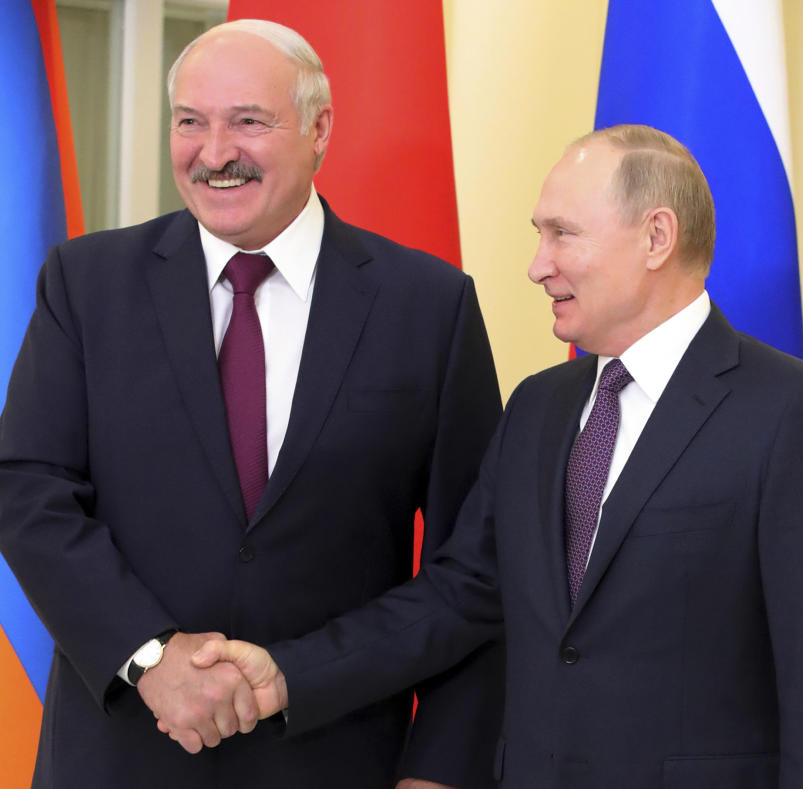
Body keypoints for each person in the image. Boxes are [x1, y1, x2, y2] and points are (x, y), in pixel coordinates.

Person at [194, 124, 803, 788]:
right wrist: (288, 674)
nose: (537, 265)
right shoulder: (538, 408)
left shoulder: (794, 415)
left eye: (563, 234)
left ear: (656, 237)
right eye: (539, 235)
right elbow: (459, 595)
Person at [0, 18, 503, 789]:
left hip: (338, 759)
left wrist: (436, 768)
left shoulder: (429, 307)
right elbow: (28, 492)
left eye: (247, 122)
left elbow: (473, 566)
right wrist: (151, 656)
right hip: (119, 758)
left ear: (319, 129)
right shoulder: (85, 283)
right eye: (189, 122)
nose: (214, 152)